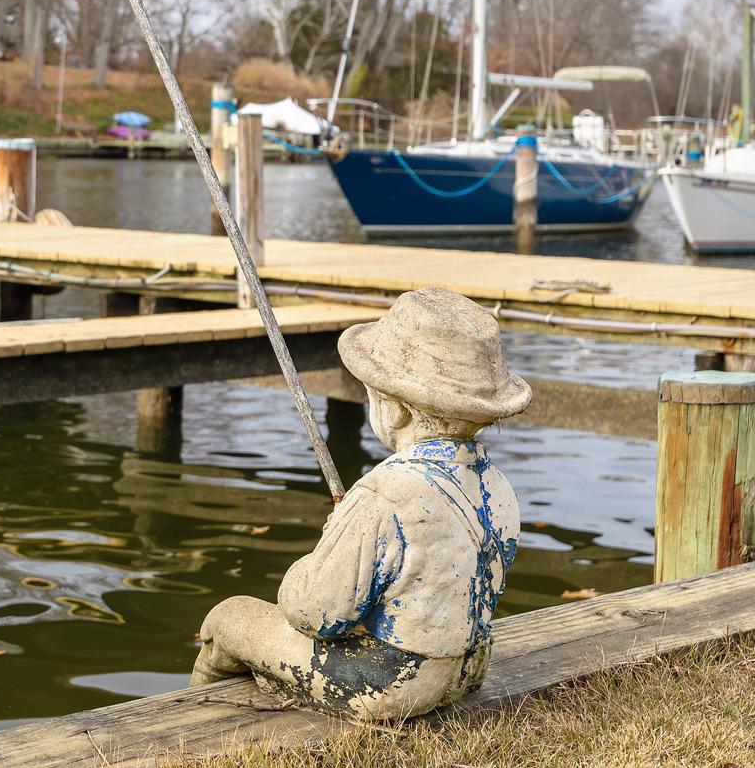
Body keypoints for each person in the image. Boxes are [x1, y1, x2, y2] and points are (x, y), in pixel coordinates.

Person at [189, 288, 529, 720]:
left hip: (386, 684)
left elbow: (317, 614)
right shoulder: (499, 487)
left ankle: (183, 729)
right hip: (466, 669)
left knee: (230, 618)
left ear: (398, 411)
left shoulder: (383, 494)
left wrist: (312, 561)